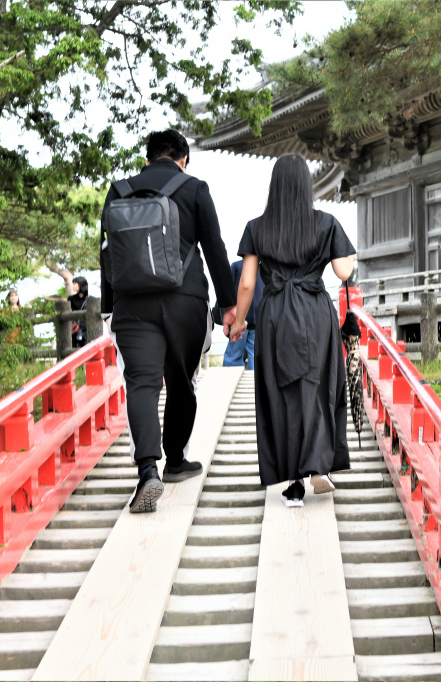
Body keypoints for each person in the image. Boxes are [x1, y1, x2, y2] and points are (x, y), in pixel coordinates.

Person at [101, 129, 238, 513]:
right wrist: (228, 304)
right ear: (183, 160)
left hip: (132, 305)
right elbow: (214, 246)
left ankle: (148, 469)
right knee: (182, 381)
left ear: (147, 160)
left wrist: (110, 309)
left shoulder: (120, 190)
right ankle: (175, 459)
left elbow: (106, 254)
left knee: (142, 384)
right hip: (185, 302)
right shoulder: (194, 188)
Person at [229, 153, 357, 508]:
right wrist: (351, 256)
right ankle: (319, 465)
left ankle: (294, 484)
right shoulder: (326, 222)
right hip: (315, 312)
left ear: (275, 185)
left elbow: (247, 284)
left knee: (280, 394)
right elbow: (343, 273)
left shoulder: (257, 227)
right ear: (306, 185)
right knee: (317, 388)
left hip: (274, 317)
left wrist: (239, 321)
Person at [222, 259, 264, 370]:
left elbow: (228, 289)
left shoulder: (237, 266)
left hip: (240, 315)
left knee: (234, 353)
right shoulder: (263, 268)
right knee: (253, 353)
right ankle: (254, 383)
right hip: (259, 316)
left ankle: (230, 380)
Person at [68, 276, 90, 348]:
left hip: (87, 329)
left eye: (75, 283)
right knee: (74, 349)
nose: (73, 286)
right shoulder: (71, 299)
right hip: (75, 328)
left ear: (81, 285)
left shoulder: (90, 299)